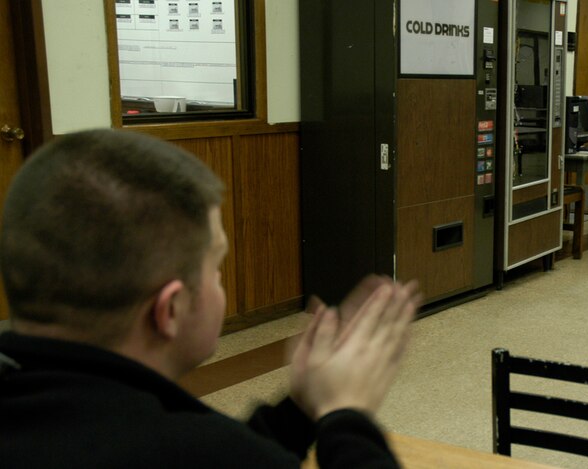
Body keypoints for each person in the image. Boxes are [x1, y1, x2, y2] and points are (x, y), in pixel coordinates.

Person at [0, 129, 420, 468]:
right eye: (216, 266)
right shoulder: (193, 452)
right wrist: (345, 416)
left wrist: (300, 410)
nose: (220, 281)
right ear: (170, 310)